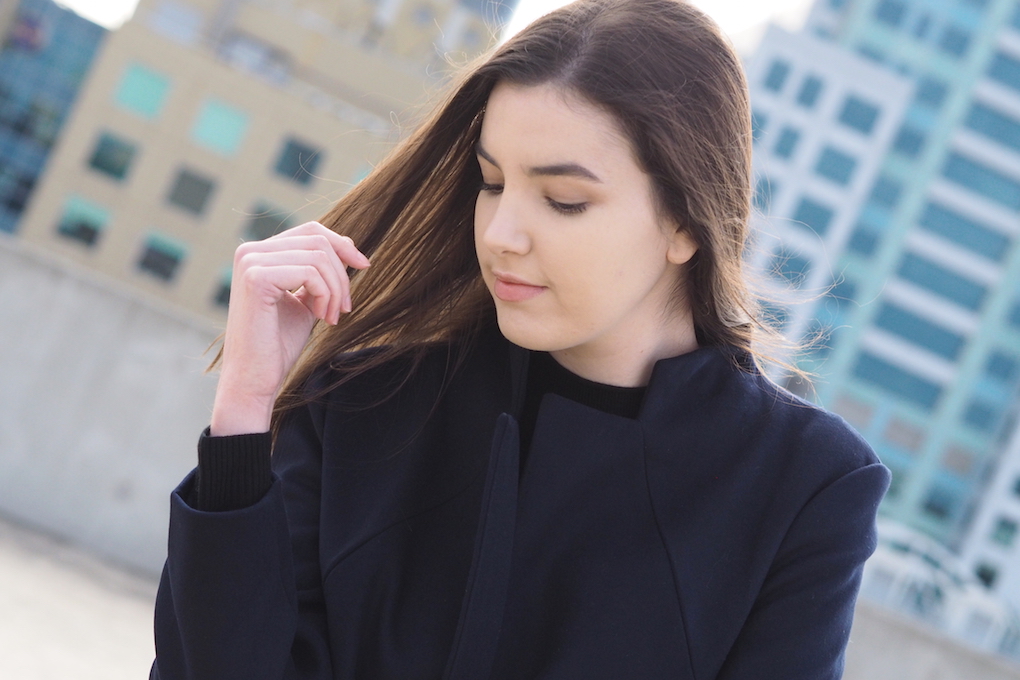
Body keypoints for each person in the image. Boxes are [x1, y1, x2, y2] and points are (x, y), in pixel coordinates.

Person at [151, 0, 890, 678]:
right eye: (493, 182)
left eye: (564, 200)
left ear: (687, 222)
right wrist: (245, 408)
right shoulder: (361, 404)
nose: (502, 234)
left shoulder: (804, 487)